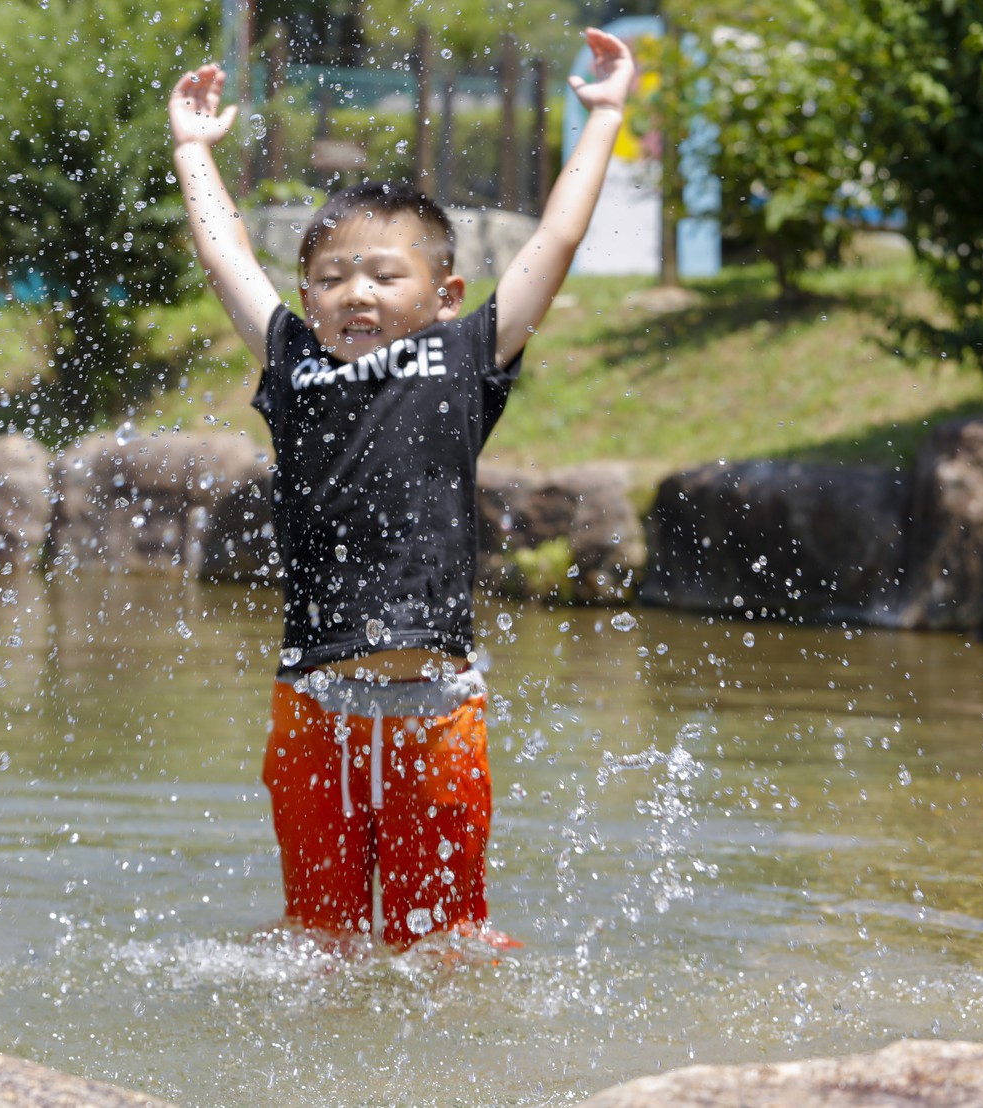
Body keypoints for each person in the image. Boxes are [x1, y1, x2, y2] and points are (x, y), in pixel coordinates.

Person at [168, 29, 636, 948]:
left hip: (435, 710)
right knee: (319, 940)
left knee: (447, 941)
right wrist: (192, 149)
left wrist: (605, 119)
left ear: (445, 292)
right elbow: (226, 258)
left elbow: (558, 237)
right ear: (307, 296)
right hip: (313, 703)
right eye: (331, 277)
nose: (356, 293)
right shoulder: (293, 365)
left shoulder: (462, 359)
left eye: (385, 274)